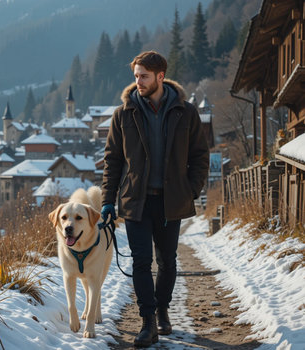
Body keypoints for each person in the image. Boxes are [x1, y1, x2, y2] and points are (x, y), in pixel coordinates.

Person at [101, 51, 209, 347]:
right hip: (136, 200)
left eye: (144, 76)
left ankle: (162, 309)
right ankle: (147, 322)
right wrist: (107, 202)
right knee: (140, 262)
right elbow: (112, 161)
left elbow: (200, 156)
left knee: (168, 261)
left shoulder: (185, 112)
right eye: (135, 76)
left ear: (161, 77)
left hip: (170, 201)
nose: (138, 82)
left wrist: (190, 190)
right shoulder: (123, 115)